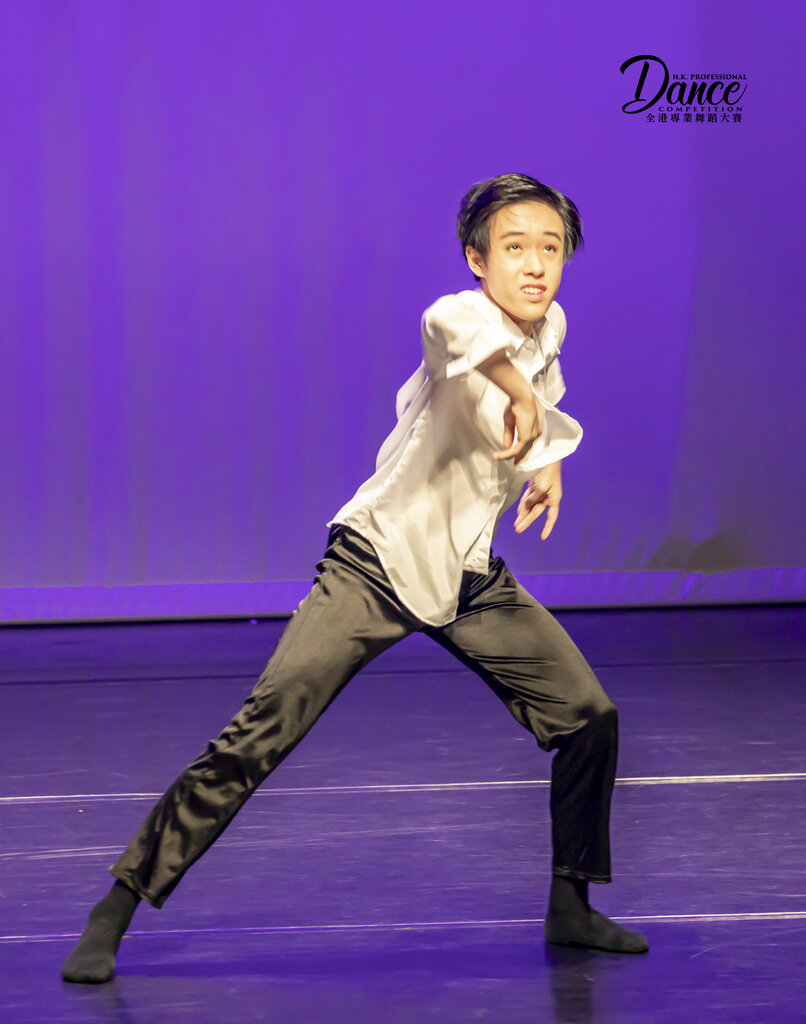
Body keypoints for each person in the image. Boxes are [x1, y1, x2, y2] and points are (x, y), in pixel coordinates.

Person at [61, 172, 648, 984]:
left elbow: (537, 396)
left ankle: (571, 904)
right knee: (260, 732)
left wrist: (546, 463)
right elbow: (454, 331)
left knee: (589, 717)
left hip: (467, 575)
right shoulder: (463, 316)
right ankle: (116, 906)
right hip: (375, 563)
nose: (536, 264)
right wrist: (519, 395)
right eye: (515, 247)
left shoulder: (548, 328)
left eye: (551, 248)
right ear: (477, 260)